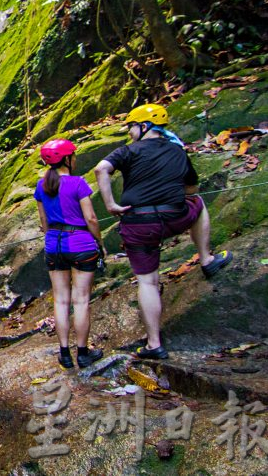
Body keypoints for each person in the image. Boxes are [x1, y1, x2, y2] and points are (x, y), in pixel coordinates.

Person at [94, 104, 232, 360]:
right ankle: (206, 259)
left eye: (131, 127)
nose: (129, 131)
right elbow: (191, 189)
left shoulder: (128, 151)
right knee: (199, 205)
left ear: (143, 127)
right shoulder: (177, 151)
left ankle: (154, 344)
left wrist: (111, 205)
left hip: (139, 224)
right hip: (174, 216)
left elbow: (101, 168)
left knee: (148, 281)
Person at [34, 139, 106, 370]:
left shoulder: (41, 185)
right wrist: (100, 242)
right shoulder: (78, 183)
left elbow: (44, 221)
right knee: (82, 300)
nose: (75, 158)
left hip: (53, 245)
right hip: (81, 244)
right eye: (73, 155)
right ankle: (83, 354)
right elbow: (92, 219)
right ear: (66, 159)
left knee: (61, 300)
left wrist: (52, 236)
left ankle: (64, 353)